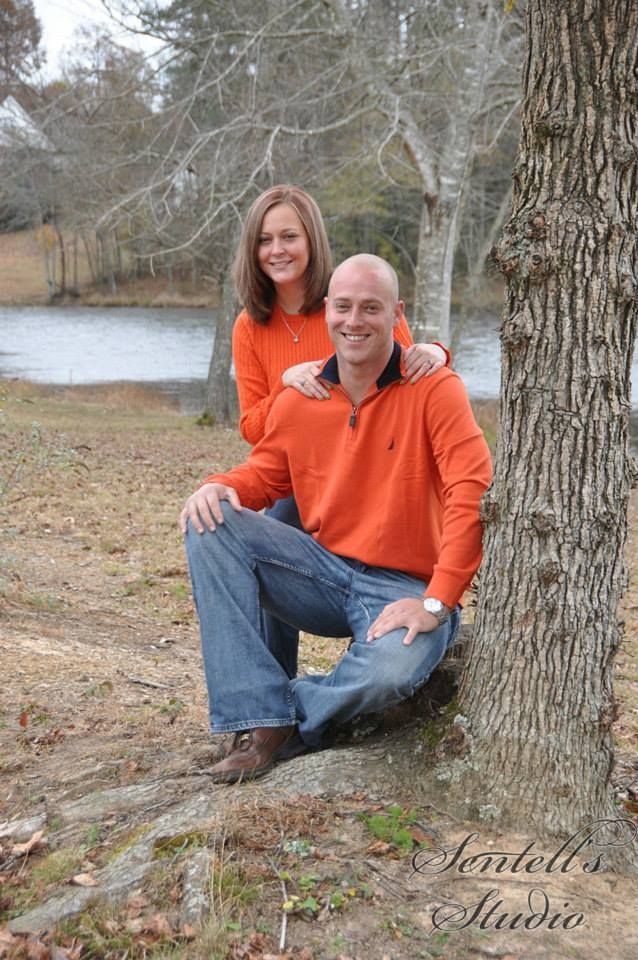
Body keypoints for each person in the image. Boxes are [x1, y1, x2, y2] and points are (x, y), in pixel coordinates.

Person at [181, 254, 492, 784]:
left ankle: (285, 717)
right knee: (210, 521)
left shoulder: (436, 390)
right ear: (326, 312)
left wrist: (437, 602)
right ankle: (256, 715)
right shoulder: (304, 398)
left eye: (370, 308)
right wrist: (220, 485)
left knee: (389, 673)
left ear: (396, 312)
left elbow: (471, 491)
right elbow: (265, 474)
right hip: (323, 574)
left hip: (405, 588)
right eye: (343, 307)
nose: (354, 321)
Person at [231, 185, 450, 675]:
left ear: (311, 240)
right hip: (299, 476)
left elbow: (404, 370)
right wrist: (284, 390)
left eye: (290, 235)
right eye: (265, 239)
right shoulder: (250, 325)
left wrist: (439, 352)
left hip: (366, 466)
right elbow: (251, 427)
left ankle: (377, 648)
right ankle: (272, 699)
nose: (278, 249)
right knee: (272, 523)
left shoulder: (346, 303)